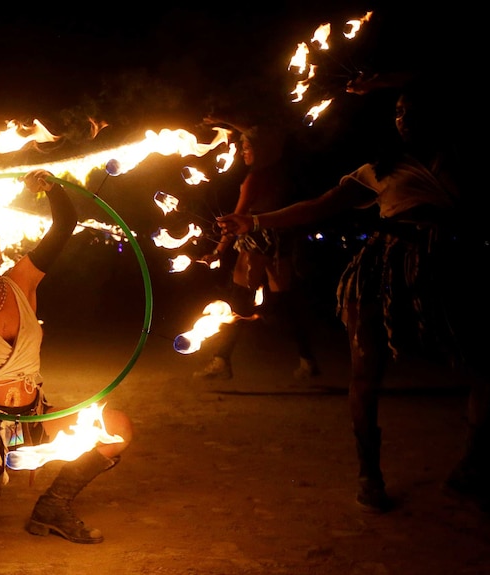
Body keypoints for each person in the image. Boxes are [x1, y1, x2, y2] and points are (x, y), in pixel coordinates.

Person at [216, 79, 488, 513]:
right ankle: (369, 474)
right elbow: (321, 204)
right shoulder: (382, 169)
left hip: (449, 271)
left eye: (414, 110)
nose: (405, 119)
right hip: (384, 272)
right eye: (398, 111)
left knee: (486, 368)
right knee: (366, 372)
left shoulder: (464, 162)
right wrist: (256, 222)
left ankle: (471, 468)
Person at [0, 169, 134, 559]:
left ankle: (53, 506)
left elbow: (65, 223)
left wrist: (51, 186)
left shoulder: (22, 280)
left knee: (116, 428)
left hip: (34, 420)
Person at [197, 116, 319, 380]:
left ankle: (221, 360)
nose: (243, 151)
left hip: (256, 238)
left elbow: (236, 220)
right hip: (280, 238)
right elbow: (262, 137)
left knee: (239, 299)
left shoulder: (254, 180)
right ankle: (307, 360)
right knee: (282, 300)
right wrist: (226, 121)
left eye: (248, 147)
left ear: (261, 150)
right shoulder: (280, 169)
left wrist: (218, 251)